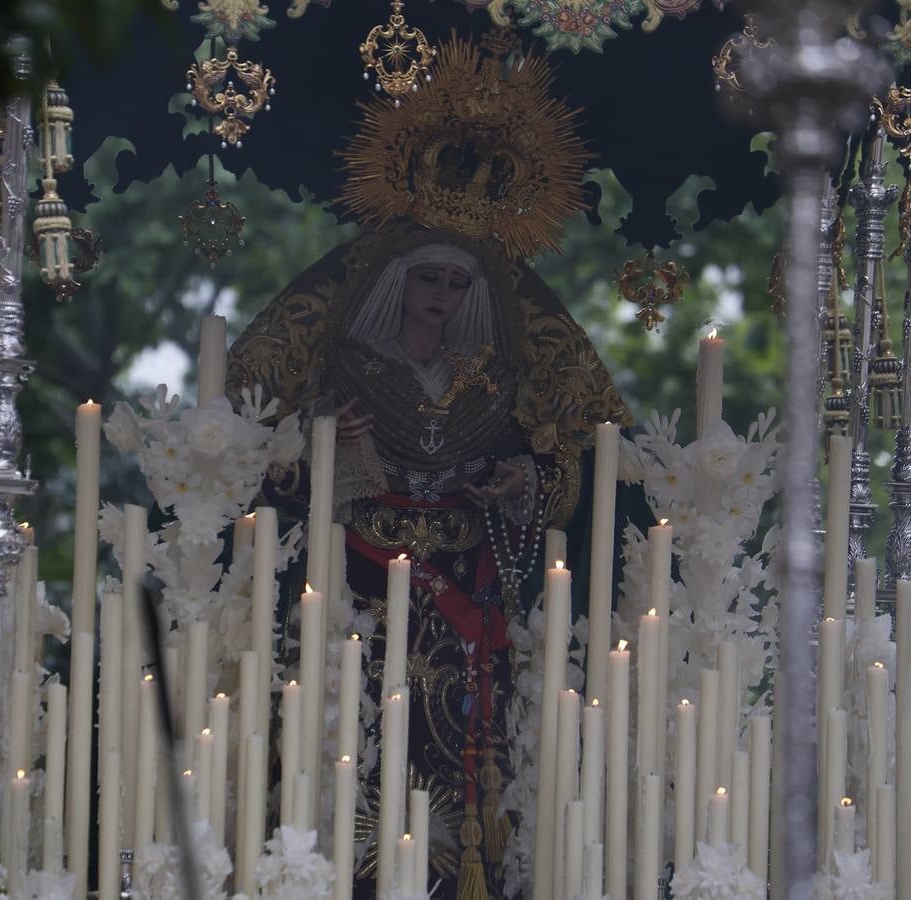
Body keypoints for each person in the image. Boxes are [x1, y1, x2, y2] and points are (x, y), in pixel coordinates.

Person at [226, 32, 633, 898]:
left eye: (456, 284)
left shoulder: (492, 383)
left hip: (465, 587)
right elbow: (271, 467)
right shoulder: (344, 371)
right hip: (359, 592)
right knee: (357, 750)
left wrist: (522, 483)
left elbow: (564, 474)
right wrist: (316, 434)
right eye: (428, 281)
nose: (441, 297)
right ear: (397, 284)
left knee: (462, 761)